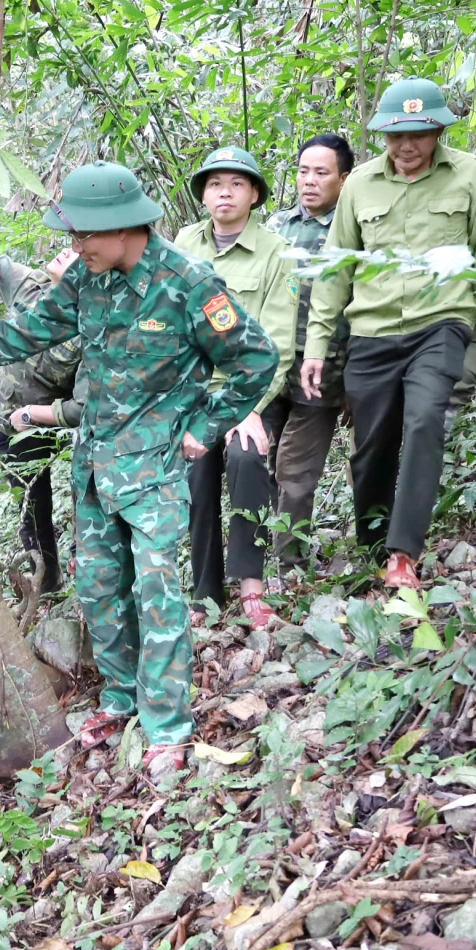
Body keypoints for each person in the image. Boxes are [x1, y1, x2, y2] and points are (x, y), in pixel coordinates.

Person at [0, 161, 277, 778]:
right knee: (101, 593)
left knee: (158, 594)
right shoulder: (87, 277)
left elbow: (256, 360)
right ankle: (120, 698)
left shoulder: (189, 284)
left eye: (84, 234)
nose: (75, 246)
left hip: (156, 466)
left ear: (124, 227)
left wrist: (203, 426)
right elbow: (34, 329)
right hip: (96, 464)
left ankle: (167, 728)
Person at [297, 78, 476, 591]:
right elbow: (335, 270)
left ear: (438, 128)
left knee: (423, 422)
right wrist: (316, 346)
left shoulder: (471, 174)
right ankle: (374, 545)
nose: (408, 147)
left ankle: (403, 554)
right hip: (371, 331)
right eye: (397, 137)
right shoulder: (359, 185)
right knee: (371, 447)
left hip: (441, 322)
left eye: (419, 134)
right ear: (381, 137)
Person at [174, 146, 301, 627]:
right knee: (194, 468)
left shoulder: (276, 251)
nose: (224, 192)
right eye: (214, 183)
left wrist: (244, 407)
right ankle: (205, 591)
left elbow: (277, 343)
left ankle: (251, 581)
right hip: (194, 392)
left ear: (254, 194)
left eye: (236, 183)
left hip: (251, 389)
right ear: (203, 195)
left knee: (247, 456)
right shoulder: (184, 242)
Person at [0, 236, 83, 595]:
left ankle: (85, 569)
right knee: (33, 512)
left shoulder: (89, 325)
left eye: (79, 255)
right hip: (12, 428)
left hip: (55, 423)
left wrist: (37, 416)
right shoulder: (30, 288)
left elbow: (87, 403)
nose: (68, 250)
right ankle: (45, 584)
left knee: (87, 490)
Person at [268, 133, 354, 569]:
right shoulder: (276, 227)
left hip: (325, 368)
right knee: (262, 461)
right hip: (271, 366)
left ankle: (290, 566)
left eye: (322, 173)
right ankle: (267, 554)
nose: (309, 181)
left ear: (343, 178)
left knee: (297, 472)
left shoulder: (350, 229)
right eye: (303, 171)